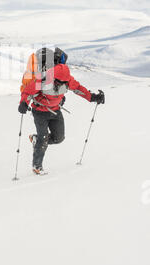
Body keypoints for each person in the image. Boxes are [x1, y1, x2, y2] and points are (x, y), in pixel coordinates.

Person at [18, 47, 105, 175]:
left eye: (64, 82)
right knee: (43, 139)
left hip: (55, 111)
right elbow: (28, 91)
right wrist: (23, 103)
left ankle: (36, 140)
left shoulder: (67, 79)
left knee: (59, 138)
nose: (61, 83)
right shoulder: (43, 79)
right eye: (59, 81)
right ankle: (37, 166)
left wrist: (93, 97)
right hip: (40, 112)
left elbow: (78, 89)